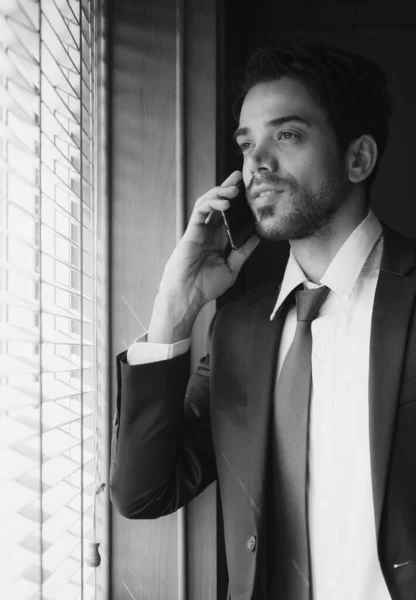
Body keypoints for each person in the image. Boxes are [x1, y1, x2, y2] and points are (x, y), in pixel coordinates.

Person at [110, 44, 416, 600]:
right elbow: (142, 493)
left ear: (358, 158)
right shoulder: (240, 329)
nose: (257, 164)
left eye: (287, 136)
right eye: (247, 143)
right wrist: (174, 310)